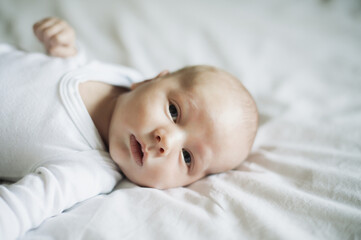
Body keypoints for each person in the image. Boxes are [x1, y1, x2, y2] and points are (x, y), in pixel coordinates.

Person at [0, 17, 258, 239]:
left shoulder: (87, 171)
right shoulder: (121, 77)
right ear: (148, 80)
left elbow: (18, 211)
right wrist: (65, 50)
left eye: (187, 156)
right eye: (173, 111)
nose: (165, 142)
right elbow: (76, 68)